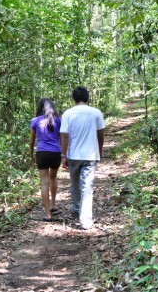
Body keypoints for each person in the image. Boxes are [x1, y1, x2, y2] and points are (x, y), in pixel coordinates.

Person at [60, 87, 105, 230]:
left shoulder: (68, 113)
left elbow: (64, 135)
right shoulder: (96, 113)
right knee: (87, 186)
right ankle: (85, 219)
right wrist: (100, 150)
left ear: (74, 98)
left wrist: (64, 154)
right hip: (90, 155)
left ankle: (77, 208)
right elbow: (101, 134)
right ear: (87, 98)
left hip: (73, 155)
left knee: (74, 184)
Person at [29, 98, 62, 222]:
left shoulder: (35, 121)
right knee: (53, 177)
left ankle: (48, 214)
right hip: (55, 153)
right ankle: (53, 205)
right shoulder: (59, 120)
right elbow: (62, 136)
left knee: (44, 182)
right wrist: (64, 153)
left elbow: (32, 142)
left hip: (41, 153)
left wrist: (31, 156)